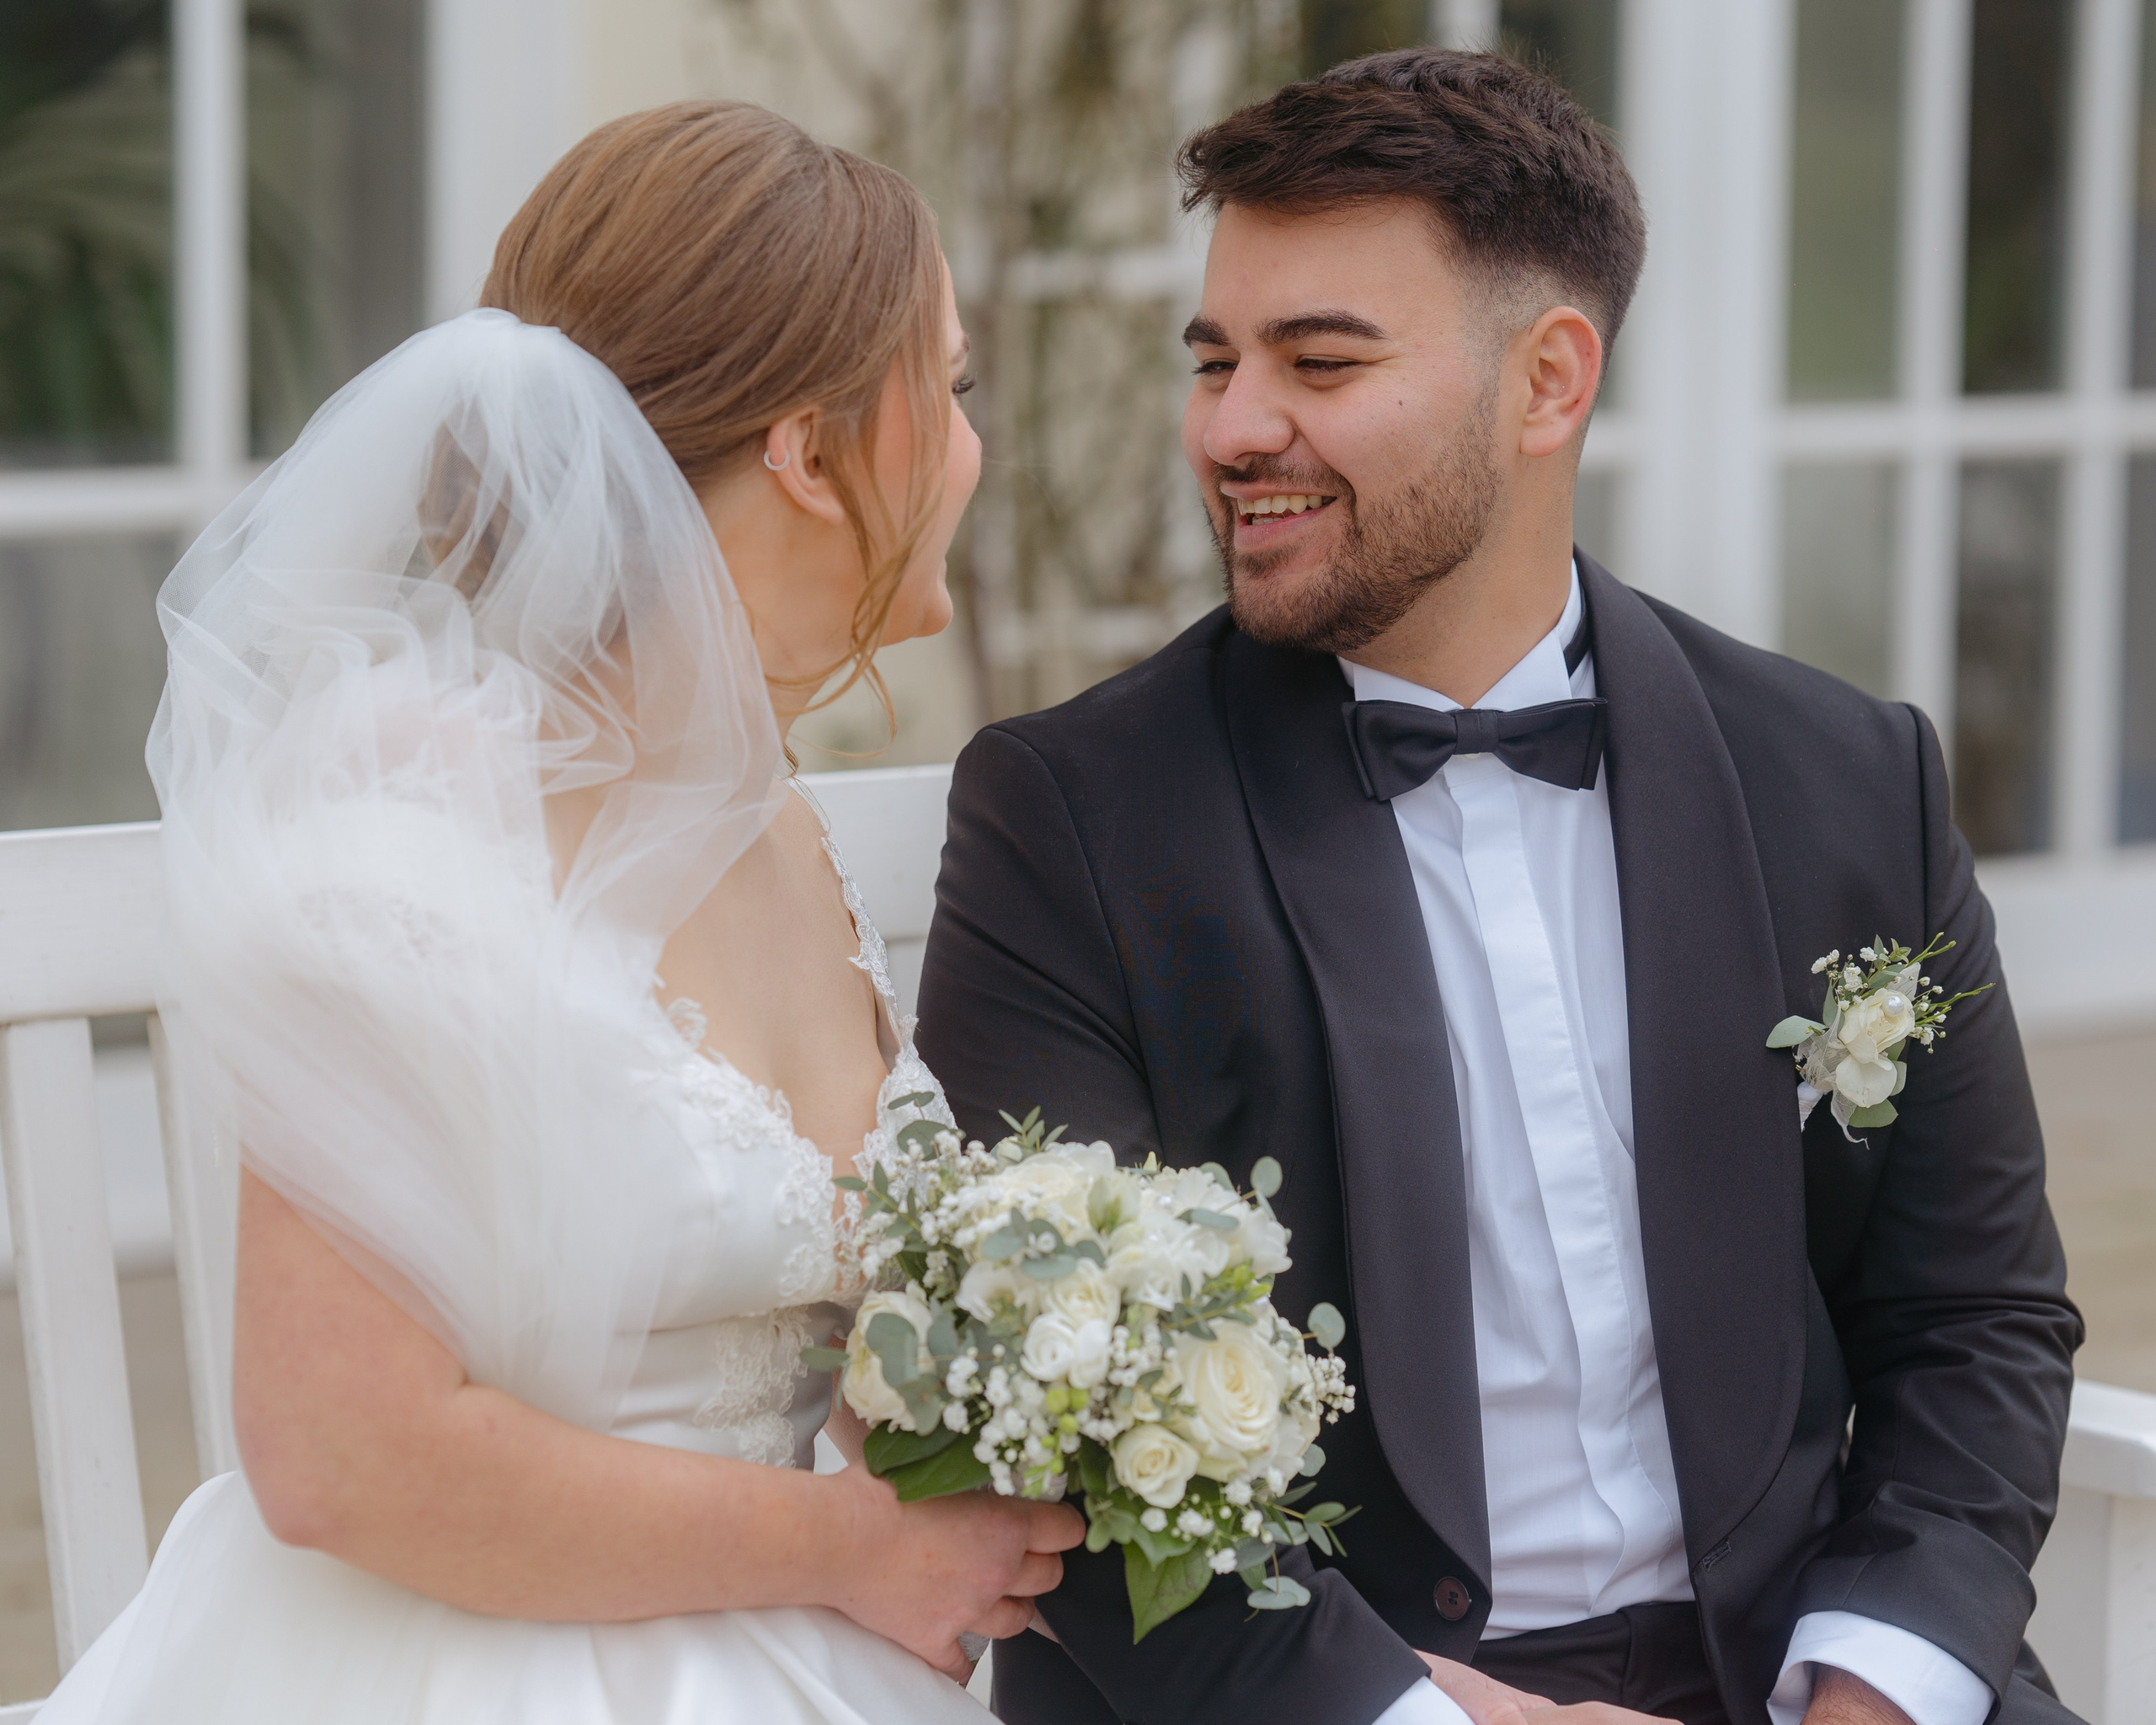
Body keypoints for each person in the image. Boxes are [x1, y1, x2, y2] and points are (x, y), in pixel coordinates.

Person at [916, 48, 2082, 1725]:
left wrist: (1869, 1691)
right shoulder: (1072, 821)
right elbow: (1064, 1436)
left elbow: (1972, 1321)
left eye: (1317, 361)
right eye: (1215, 360)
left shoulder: (1846, 778)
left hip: (1809, 1676)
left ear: (1545, 383)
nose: (1234, 427)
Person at [37, 100, 1080, 1724]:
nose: (969, 451)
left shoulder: (777, 822)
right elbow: (338, 1459)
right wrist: (847, 1546)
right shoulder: (401, 850)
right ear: (808, 454)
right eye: (943, 391)